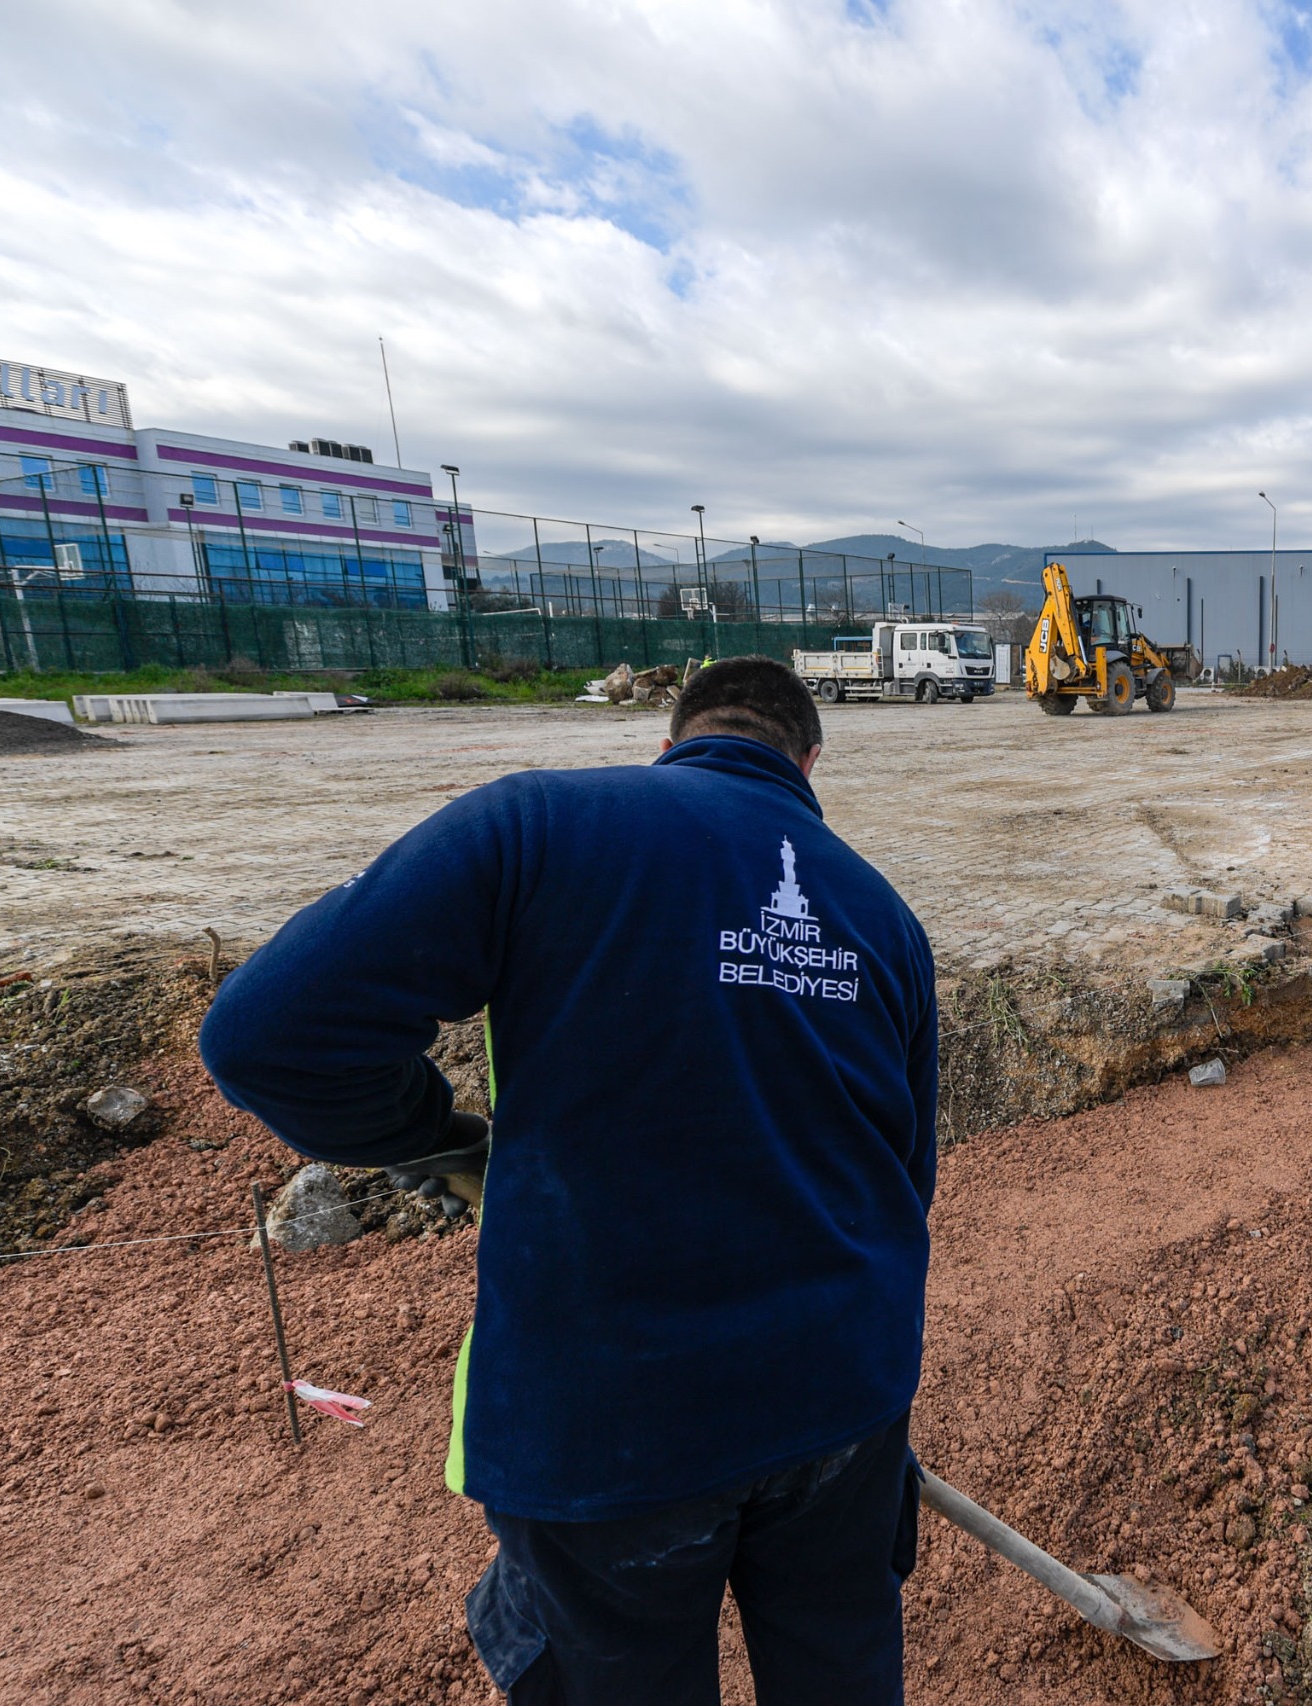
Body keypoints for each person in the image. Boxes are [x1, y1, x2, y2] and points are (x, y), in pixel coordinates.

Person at [200, 658, 938, 1704]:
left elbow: (264, 1035)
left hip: (613, 1427)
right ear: (810, 761)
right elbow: (905, 1184)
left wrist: (437, 1136)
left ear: (669, 739)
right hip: (843, 1404)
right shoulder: (883, 914)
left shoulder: (541, 824)